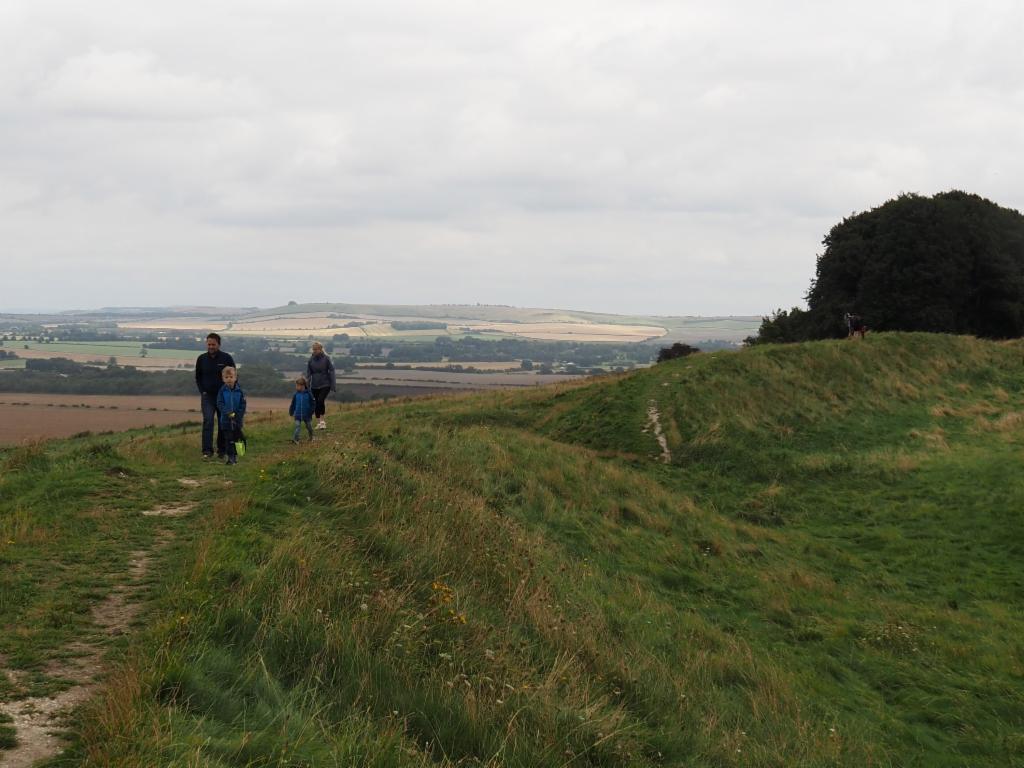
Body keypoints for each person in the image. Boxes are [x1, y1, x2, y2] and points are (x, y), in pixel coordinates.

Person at [195, 332, 235, 459]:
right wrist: (203, 391)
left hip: (223, 396)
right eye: (209, 344)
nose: (211, 346)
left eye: (213, 344)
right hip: (208, 397)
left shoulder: (226, 358)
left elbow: (234, 376)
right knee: (208, 421)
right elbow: (198, 377)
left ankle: (221, 451)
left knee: (223, 423)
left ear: (219, 344)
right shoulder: (201, 359)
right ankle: (207, 451)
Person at [216, 366, 246, 465]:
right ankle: (230, 457)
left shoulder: (239, 390)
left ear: (235, 377)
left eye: (231, 377)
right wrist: (227, 412)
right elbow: (220, 403)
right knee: (228, 439)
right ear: (223, 378)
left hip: (237, 420)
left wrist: (239, 415)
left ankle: (237, 455)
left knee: (237, 438)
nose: (229, 379)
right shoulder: (222, 391)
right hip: (225, 420)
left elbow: (243, 404)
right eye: (226, 377)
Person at [305, 341, 336, 430]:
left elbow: (332, 371)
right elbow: (308, 374)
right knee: (316, 403)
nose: (314, 351)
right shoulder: (310, 360)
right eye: (313, 349)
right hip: (314, 384)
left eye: (316, 349)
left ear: (321, 349)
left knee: (320, 400)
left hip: (325, 383)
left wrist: (333, 384)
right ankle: (318, 423)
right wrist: (307, 387)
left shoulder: (326, 358)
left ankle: (323, 421)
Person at [289, 376, 315, 443]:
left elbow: (313, 403)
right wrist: (291, 411)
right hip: (297, 414)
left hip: (307, 414)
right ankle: (295, 439)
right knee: (297, 426)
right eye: (296, 385)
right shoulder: (296, 395)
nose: (296, 387)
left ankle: (311, 437)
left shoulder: (309, 394)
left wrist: (311, 412)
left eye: (297, 385)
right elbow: (293, 404)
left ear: (303, 386)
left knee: (309, 427)